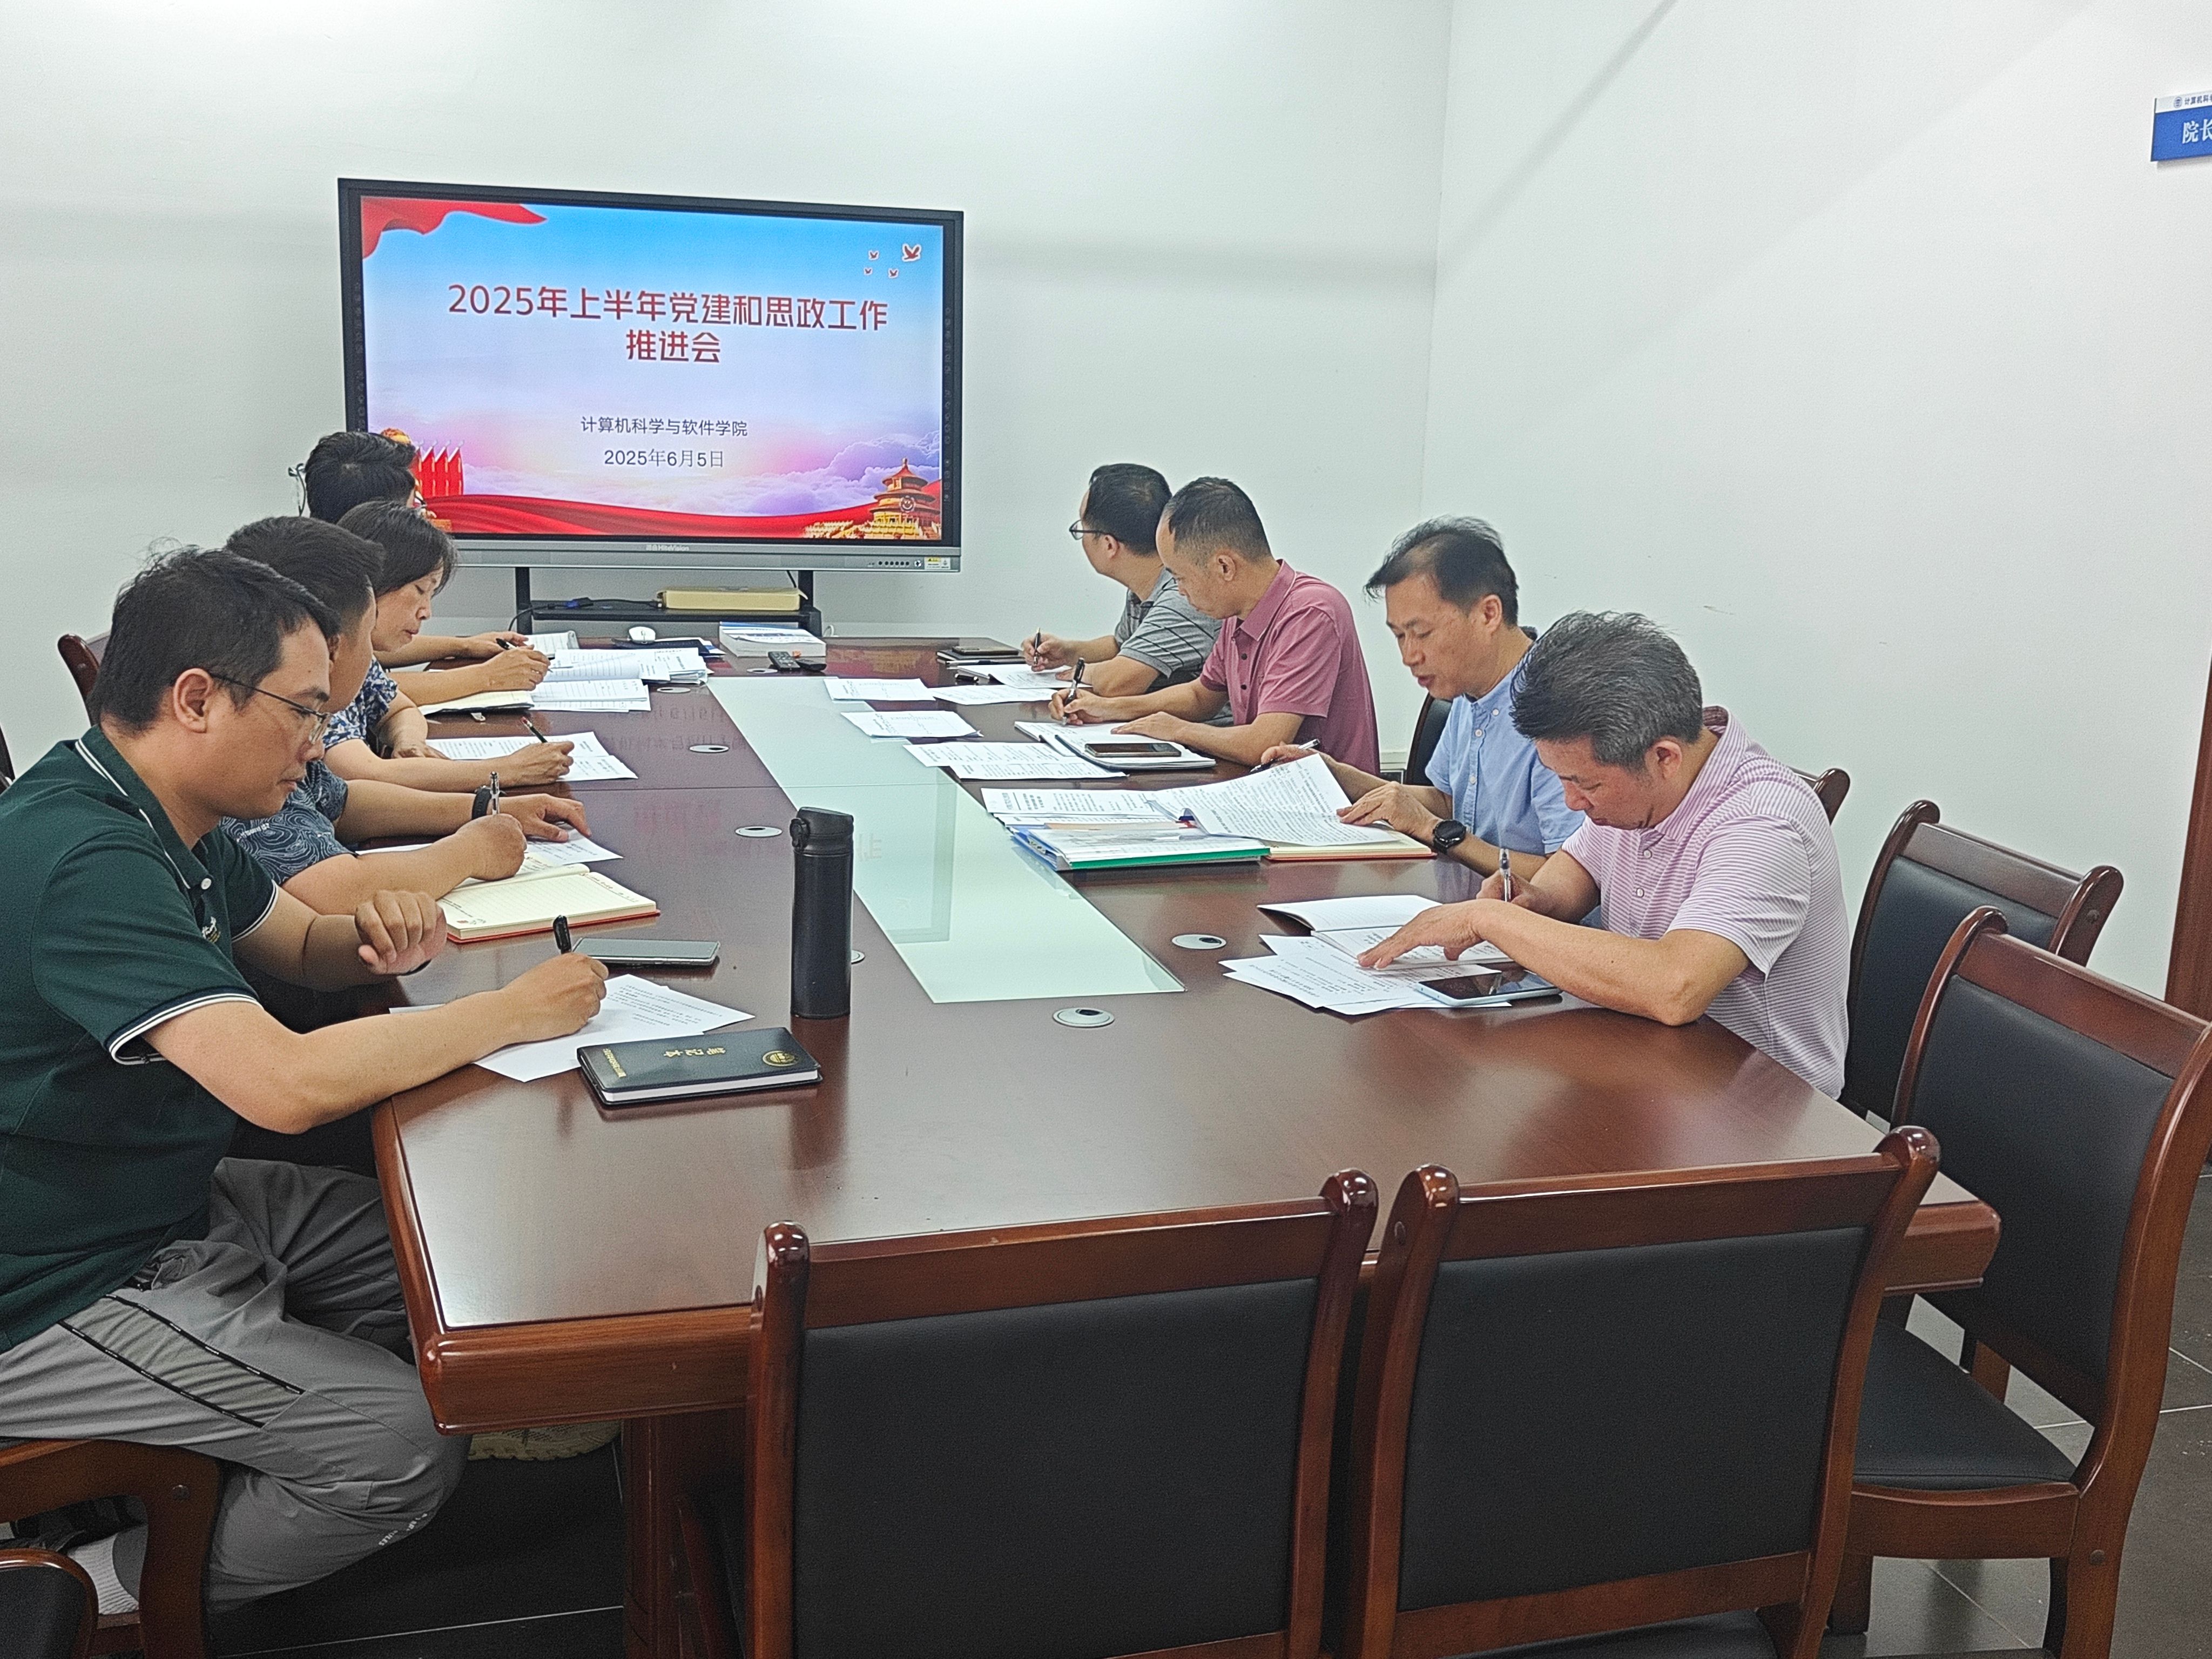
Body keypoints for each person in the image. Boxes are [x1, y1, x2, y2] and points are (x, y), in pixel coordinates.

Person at [0, 549, 608, 1616]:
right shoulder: (87, 857)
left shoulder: (162, 812)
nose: (319, 743)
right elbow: (281, 1086)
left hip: (153, 1196)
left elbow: (301, 945)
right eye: (302, 712)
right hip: (56, 1280)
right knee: (398, 1445)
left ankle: (232, 1424)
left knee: (448, 1259)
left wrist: (380, 936)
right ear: (196, 699)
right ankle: (83, 1598)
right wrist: (513, 1011)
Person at [1360, 612, 1849, 1095]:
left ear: (1664, 757)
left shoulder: (1763, 824)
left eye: (1585, 785)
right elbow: (1576, 870)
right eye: (1561, 779)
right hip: (1644, 1064)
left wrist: (1488, 919)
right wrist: (1534, 898)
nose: (1573, 802)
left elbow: (1675, 987)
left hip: (1755, 1111)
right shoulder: (1638, 786)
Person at [221, 517, 588, 910]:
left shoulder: (283, 721)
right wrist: (471, 852)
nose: (375, 659)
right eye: (366, 636)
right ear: (329, 648)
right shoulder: (255, 749)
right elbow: (332, 890)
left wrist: (487, 807)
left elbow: (343, 802)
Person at [1258, 517, 1580, 874]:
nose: (1409, 656)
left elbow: (1568, 878)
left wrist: (1436, 831)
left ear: (1488, 614)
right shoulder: (1469, 687)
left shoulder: (1561, 709)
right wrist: (1333, 773)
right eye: (1400, 636)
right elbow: (1447, 801)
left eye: (1422, 633)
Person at [1057, 477, 1380, 771]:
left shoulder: (1310, 613)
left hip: (1329, 802)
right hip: (1268, 784)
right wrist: (1109, 708)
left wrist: (1178, 730)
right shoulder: (1237, 611)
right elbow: (1201, 696)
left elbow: (1265, 744)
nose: (1179, 591)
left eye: (1181, 577)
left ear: (1224, 567)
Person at [326, 500, 565, 788]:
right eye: (420, 590)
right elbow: (365, 776)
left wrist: (408, 741)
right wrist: (509, 770)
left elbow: (399, 709)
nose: (427, 612)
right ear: (373, 582)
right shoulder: (321, 664)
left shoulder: (360, 652)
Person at [298, 428, 531, 668]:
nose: (420, 518)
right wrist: (488, 676)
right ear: (377, 519)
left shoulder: (315, 560)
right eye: (412, 510)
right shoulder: (306, 608)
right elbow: (369, 686)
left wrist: (464, 646)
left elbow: (370, 654)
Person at [1019, 464, 1221, 698]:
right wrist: (1068, 652)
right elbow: (1122, 646)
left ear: (1109, 545)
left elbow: (1117, 684)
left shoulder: (1182, 596)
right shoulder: (1146, 585)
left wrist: (1080, 671)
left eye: (1082, 529)